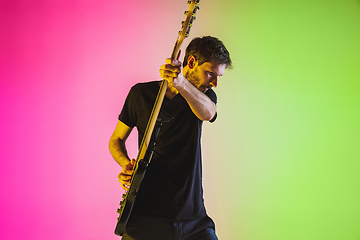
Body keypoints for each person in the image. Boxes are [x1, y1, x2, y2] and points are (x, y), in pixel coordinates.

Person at [109, 36, 232, 240]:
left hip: (192, 218)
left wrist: (181, 82)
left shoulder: (203, 96)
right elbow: (116, 141)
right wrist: (125, 164)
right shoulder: (140, 93)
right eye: (210, 73)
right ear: (191, 62)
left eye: (218, 76)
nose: (215, 83)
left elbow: (208, 113)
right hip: (145, 216)